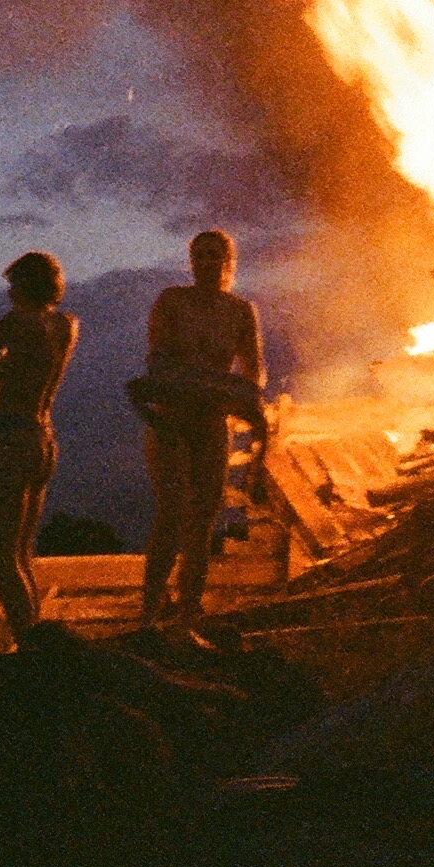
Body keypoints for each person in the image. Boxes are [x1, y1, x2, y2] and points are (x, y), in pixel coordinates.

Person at [136, 229, 267, 637]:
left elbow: (254, 372)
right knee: (171, 514)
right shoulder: (171, 302)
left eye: (216, 255)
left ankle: (186, 620)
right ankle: (148, 618)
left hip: (212, 423)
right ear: (191, 261)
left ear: (229, 262)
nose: (208, 262)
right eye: (201, 255)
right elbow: (157, 360)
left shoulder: (240, 310)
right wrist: (195, 387)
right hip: (171, 421)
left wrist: (246, 404)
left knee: (203, 521)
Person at [0, 251, 79, 648]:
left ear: (24, 285)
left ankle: (30, 644)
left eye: (13, 285)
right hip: (45, 438)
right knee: (22, 552)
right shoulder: (65, 325)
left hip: (14, 436)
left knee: (0, 554)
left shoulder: (17, 323)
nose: (8, 293)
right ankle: (39, 638)